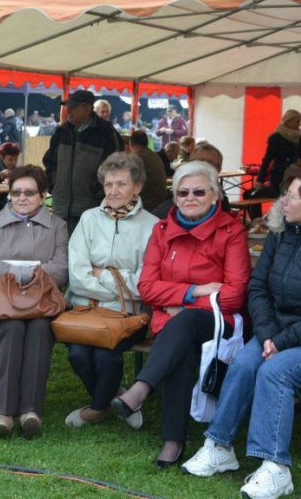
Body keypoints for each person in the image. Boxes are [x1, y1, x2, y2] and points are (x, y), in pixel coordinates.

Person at [182, 169, 301, 498]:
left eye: (290, 196)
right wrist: (269, 334)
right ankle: (219, 447)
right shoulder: (281, 233)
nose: (282, 200)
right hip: (278, 333)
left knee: (275, 371)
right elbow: (258, 289)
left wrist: (281, 342)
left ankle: (275, 468)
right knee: (243, 364)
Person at [111, 161, 251, 469]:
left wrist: (181, 303)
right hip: (174, 321)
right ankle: (173, 439)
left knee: (183, 322)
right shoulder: (161, 231)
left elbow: (234, 295)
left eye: (199, 191)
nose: (190, 197)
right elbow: (147, 287)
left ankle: (141, 391)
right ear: (174, 198)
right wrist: (194, 292)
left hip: (215, 321)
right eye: (183, 192)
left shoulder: (232, 231)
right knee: (181, 344)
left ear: (215, 196)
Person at [0, 165, 68, 439]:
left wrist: (11, 273)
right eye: (15, 193)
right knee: (11, 328)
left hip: (41, 305)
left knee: (39, 329)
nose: (21, 198)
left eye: (29, 192)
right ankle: (2, 413)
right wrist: (30, 273)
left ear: (43, 195)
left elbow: (62, 267)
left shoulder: (57, 226)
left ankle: (30, 411)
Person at [64, 153, 158, 427]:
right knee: (78, 354)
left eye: (121, 184)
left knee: (107, 356)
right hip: (83, 309)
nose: (113, 191)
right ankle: (118, 397)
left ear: (137, 187)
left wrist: (100, 274)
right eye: (108, 184)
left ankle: (95, 410)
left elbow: (143, 285)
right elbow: (77, 276)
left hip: (127, 315)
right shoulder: (89, 219)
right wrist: (119, 281)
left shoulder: (152, 226)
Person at [42, 90, 121, 235]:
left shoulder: (106, 133)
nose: (68, 111)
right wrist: (54, 186)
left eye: (73, 107)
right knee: (60, 253)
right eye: (68, 107)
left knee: (85, 255)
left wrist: (97, 193)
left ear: (87, 109)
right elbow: (49, 161)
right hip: (61, 208)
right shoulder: (62, 132)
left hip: (90, 209)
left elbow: (117, 169)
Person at [245, 110, 301, 219]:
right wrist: (259, 180)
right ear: (288, 121)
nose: (300, 124)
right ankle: (257, 221)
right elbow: (267, 159)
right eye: (297, 121)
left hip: (294, 175)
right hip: (279, 177)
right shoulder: (276, 137)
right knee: (253, 195)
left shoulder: (300, 137)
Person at [128, 130, 168, 213]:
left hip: (146, 206)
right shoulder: (154, 155)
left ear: (131, 145)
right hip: (159, 203)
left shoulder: (136, 158)